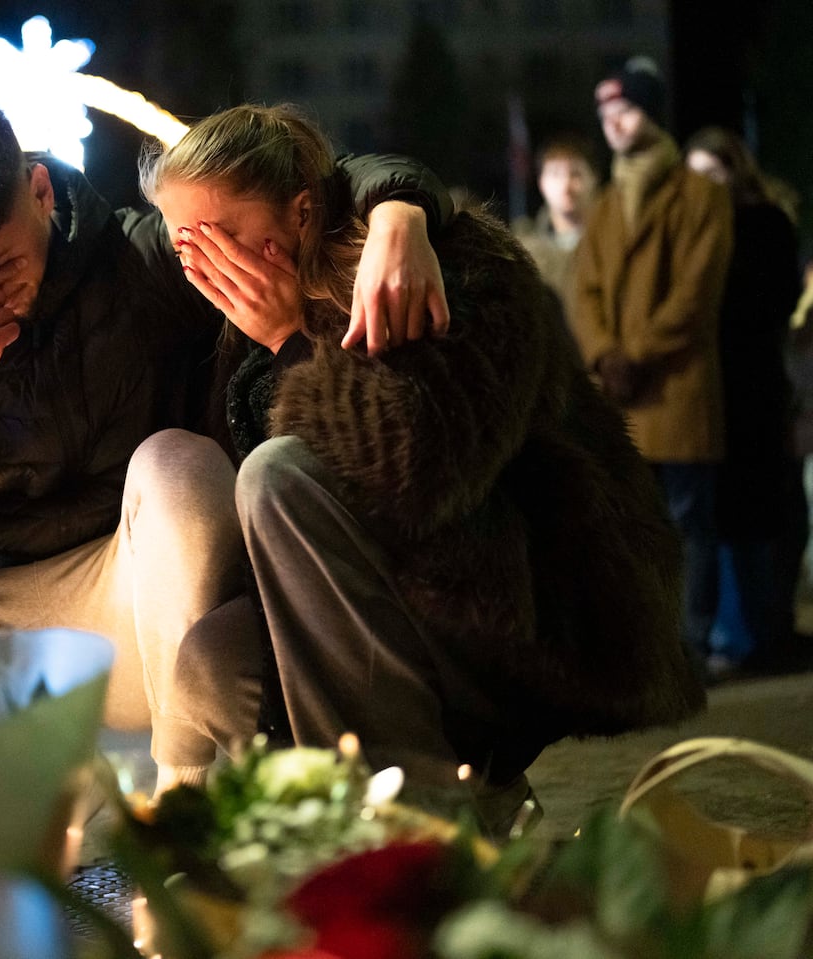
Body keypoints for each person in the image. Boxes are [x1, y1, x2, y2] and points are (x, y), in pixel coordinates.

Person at [0, 96, 455, 756]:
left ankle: (180, 790)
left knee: (174, 462)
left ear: (39, 191)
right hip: (7, 612)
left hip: (147, 592)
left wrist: (399, 211)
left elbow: (301, 189)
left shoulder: (139, 261)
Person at [141, 103, 704, 832]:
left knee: (276, 475)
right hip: (401, 610)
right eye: (185, 243)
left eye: (218, 237)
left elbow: (414, 470)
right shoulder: (269, 310)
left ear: (304, 211)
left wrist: (290, 338)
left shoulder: (446, 263)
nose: (203, 264)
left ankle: (410, 831)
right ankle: (394, 806)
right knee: (214, 663)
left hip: (526, 605)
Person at [571, 56, 734, 673]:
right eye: (606, 113)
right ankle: (649, 653)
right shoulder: (608, 203)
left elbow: (697, 293)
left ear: (653, 112)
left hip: (676, 387)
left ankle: (690, 647)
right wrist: (604, 353)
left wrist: (630, 355)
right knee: (633, 529)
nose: (614, 122)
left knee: (690, 526)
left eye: (627, 109)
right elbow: (584, 289)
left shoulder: (702, 195)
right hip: (623, 394)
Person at [685, 126, 807, 674]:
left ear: (736, 173)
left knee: (754, 518)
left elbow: (768, 306)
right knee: (710, 519)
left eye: (716, 173)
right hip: (702, 391)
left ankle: (757, 634)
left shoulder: (764, 225)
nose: (706, 186)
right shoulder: (686, 229)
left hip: (751, 388)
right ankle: (727, 634)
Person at [512, 135, 600, 324]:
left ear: (593, 179)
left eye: (575, 174)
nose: (566, 186)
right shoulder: (525, 247)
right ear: (542, 182)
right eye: (555, 174)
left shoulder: (609, 243)